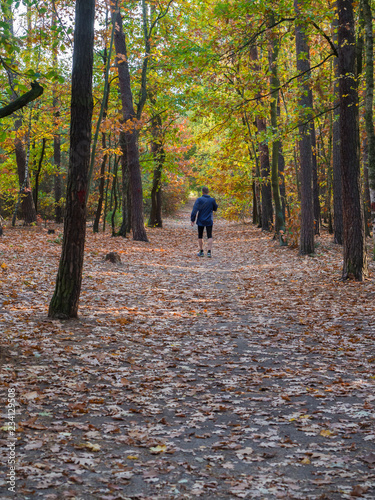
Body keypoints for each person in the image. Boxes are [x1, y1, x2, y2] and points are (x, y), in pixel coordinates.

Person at [190, 186, 218, 257]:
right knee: (209, 235)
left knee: (200, 235)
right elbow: (215, 208)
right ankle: (209, 252)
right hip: (209, 220)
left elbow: (194, 210)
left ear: (202, 192)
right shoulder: (212, 200)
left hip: (200, 220)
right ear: (208, 192)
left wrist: (192, 220)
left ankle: (201, 251)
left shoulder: (199, 200)